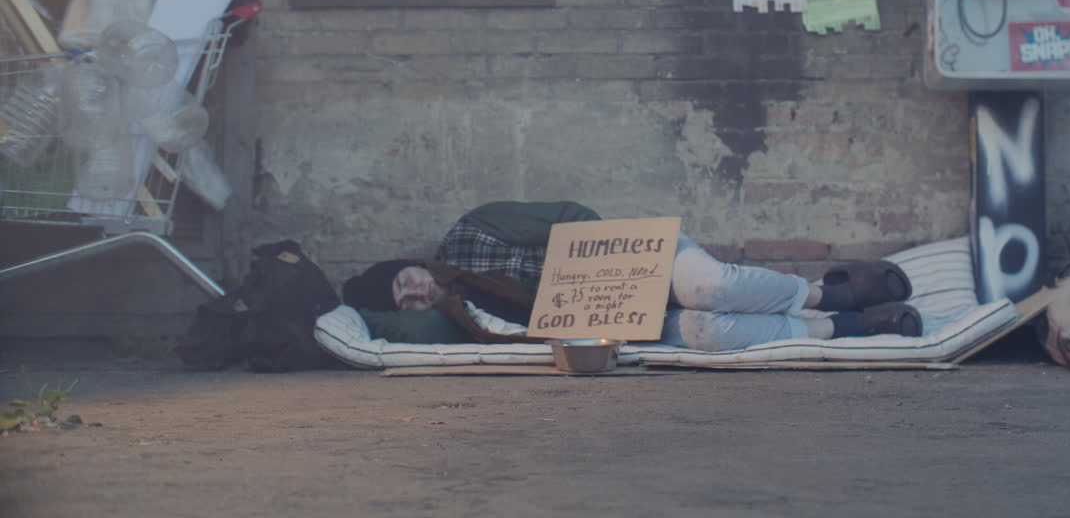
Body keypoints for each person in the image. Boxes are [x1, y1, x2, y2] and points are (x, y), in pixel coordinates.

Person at [342, 201, 921, 352]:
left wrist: (595, 271)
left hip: (641, 260)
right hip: (620, 322)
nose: (417, 291)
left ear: (409, 264)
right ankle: (841, 328)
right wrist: (441, 307)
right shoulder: (462, 321)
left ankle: (830, 290)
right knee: (704, 332)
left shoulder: (471, 234)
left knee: (707, 288)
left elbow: (572, 215)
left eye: (406, 280)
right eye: (406, 301)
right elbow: (422, 334)